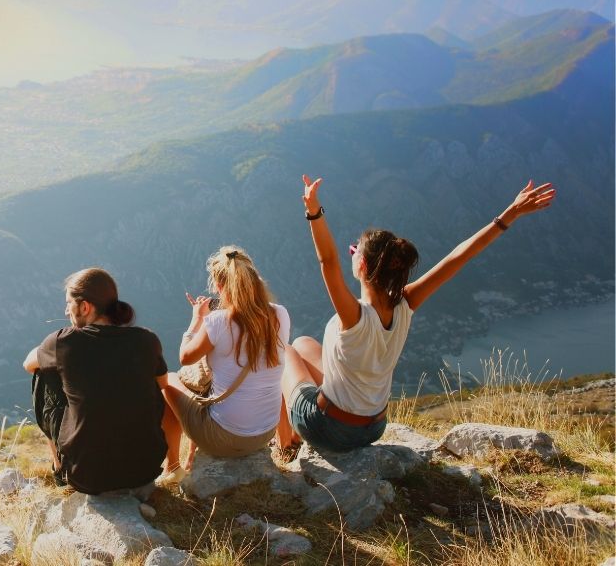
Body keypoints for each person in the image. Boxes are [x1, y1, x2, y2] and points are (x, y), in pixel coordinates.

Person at [278, 175, 556, 452]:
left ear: (361, 265)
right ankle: (299, 432)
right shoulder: (405, 303)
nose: (350, 253)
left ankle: (285, 444)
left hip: (330, 430)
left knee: (283, 350)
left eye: (353, 250)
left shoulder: (354, 316)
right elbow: (458, 257)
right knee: (303, 343)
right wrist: (511, 213)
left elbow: (327, 260)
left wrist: (314, 211)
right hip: (373, 428)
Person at [23, 267, 168, 495]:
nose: (66, 310)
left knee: (43, 373)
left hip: (88, 477)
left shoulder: (63, 342)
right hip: (145, 471)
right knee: (152, 380)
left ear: (85, 307)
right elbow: (163, 384)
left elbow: (28, 363)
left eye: (69, 303)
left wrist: (52, 353)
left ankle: (60, 468)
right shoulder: (147, 339)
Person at [160, 246, 290, 481]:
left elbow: (185, 357)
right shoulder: (280, 314)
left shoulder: (217, 322)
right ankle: (285, 444)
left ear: (219, 287)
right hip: (265, 433)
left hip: (225, 438)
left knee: (168, 380)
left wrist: (196, 319)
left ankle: (173, 468)